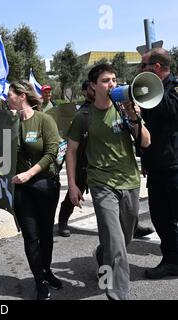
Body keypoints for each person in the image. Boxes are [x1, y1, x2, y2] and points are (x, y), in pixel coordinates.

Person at [66, 64, 151, 300]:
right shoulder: (83, 116)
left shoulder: (126, 110)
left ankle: (102, 253)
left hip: (130, 181)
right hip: (101, 183)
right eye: (105, 80)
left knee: (124, 238)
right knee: (116, 243)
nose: (111, 84)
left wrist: (135, 116)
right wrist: (73, 185)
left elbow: (145, 142)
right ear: (93, 86)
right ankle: (118, 294)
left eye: (114, 79)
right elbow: (70, 152)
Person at [8, 80, 62, 300]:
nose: (6, 97)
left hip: (45, 186)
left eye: (9, 93)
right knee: (31, 237)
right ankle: (39, 282)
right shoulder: (9, 122)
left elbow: (52, 152)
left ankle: (46, 270)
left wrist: (29, 174)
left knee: (46, 234)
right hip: (22, 190)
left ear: (22, 96)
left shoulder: (44, 120)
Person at [138, 48, 178, 279]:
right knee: (161, 218)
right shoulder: (148, 90)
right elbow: (148, 129)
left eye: (143, 66)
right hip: (156, 166)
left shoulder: (173, 89)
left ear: (156, 68)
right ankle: (171, 261)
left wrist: (154, 88)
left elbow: (171, 112)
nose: (139, 70)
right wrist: (145, 158)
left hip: (174, 166)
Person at [57, 80, 93, 237]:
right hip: (83, 162)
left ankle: (133, 225)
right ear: (85, 92)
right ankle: (63, 221)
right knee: (74, 193)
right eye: (90, 89)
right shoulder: (82, 113)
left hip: (104, 164)